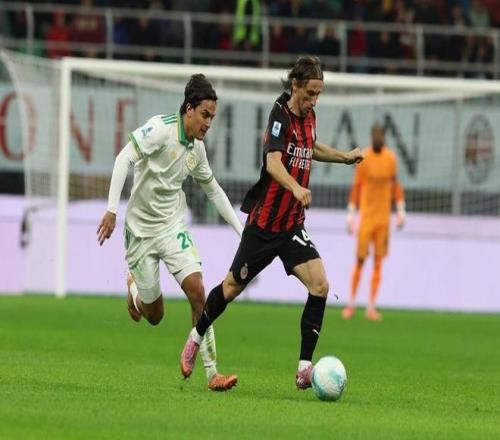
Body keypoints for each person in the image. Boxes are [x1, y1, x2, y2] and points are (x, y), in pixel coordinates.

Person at [179, 56, 364, 389]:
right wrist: (296, 187)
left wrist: (344, 157)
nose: (314, 100)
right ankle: (195, 337)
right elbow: (273, 162)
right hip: (264, 224)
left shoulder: (310, 116)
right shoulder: (280, 115)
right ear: (295, 85)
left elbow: (310, 146)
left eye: (318, 94)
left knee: (320, 285)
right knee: (231, 287)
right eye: (310, 93)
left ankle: (304, 369)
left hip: (292, 225)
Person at [97, 74, 243, 392]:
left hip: (172, 226)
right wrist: (111, 210)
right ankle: (134, 291)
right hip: (140, 232)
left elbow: (214, 190)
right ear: (189, 109)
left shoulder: (197, 150)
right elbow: (124, 158)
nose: (208, 123)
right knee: (154, 315)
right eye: (205, 115)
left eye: (212, 117)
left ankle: (212, 373)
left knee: (198, 291)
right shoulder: (160, 129)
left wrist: (242, 231)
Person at [342, 123, 406, 322]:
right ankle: (351, 304)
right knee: (360, 260)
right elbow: (357, 187)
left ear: (384, 137)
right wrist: (351, 214)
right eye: (375, 135)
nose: (378, 138)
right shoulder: (365, 158)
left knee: (378, 262)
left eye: (380, 135)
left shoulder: (390, 158)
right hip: (367, 218)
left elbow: (395, 185)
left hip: (383, 220)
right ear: (372, 138)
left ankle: (371, 307)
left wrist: (401, 210)